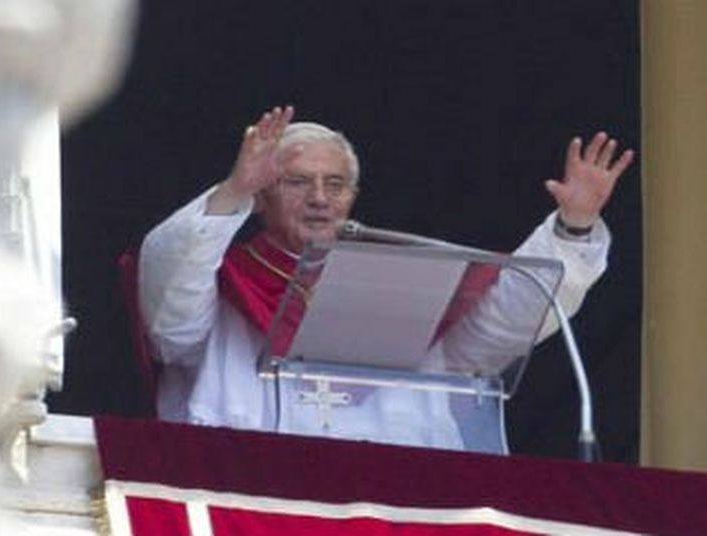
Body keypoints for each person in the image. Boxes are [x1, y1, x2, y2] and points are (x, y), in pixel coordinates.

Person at [134, 105, 634, 451]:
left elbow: (500, 329)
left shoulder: (399, 285)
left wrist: (573, 228)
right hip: (254, 495)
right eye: (297, 182)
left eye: (336, 184)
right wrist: (232, 189)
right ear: (260, 196)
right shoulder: (220, 283)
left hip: (398, 500)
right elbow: (168, 309)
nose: (319, 198)